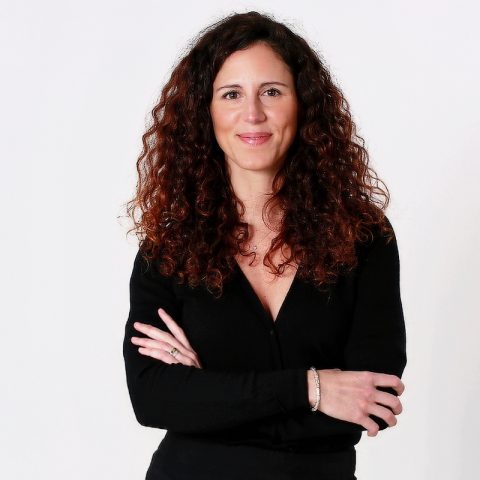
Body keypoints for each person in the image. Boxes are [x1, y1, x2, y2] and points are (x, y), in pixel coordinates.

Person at [122, 10, 407, 480]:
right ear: (205, 110)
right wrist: (312, 388)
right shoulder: (171, 246)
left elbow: (374, 400)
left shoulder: (362, 236)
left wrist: (209, 391)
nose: (252, 114)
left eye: (271, 92)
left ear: (303, 104)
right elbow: (154, 399)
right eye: (231, 94)